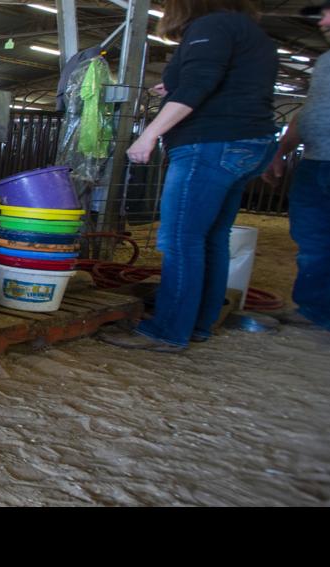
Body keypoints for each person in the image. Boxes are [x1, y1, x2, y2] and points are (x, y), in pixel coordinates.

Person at [100, 0, 279, 352]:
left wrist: (149, 134)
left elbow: (200, 83)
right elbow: (223, 82)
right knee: (211, 237)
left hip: (209, 145)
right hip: (247, 143)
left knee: (181, 240)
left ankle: (168, 329)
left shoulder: (210, 26)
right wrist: (174, 85)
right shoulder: (249, 32)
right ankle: (199, 323)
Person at [263, 0, 330, 340]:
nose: (325, 21)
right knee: (312, 241)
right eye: (324, 14)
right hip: (315, 162)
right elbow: (310, 111)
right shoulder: (328, 61)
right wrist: (281, 149)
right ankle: (316, 310)